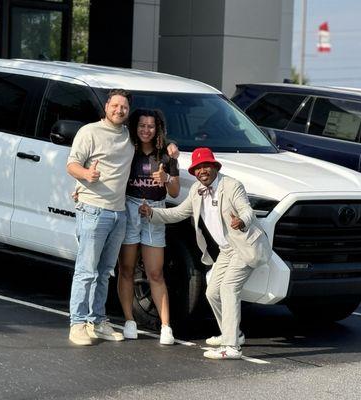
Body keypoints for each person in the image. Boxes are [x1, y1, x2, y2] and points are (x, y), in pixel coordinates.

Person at [66, 90, 179, 346]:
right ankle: (77, 323)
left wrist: (172, 147)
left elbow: (154, 137)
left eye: (124, 107)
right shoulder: (90, 132)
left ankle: (97, 321)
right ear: (107, 106)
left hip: (119, 212)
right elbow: (71, 164)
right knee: (86, 270)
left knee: (105, 271)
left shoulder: (129, 136)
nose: (119, 110)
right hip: (94, 209)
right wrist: (85, 175)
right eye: (115, 105)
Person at [139, 147, 272, 359]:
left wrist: (242, 221)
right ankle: (233, 334)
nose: (203, 171)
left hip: (245, 247)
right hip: (227, 250)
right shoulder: (196, 190)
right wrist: (152, 213)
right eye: (198, 168)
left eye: (206, 166)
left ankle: (231, 347)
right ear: (193, 172)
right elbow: (178, 213)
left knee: (228, 288)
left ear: (215, 167)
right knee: (212, 292)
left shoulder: (231, 186)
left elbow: (246, 209)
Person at [118, 109, 180, 345]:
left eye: (151, 126)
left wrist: (165, 180)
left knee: (155, 272)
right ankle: (129, 320)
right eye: (142, 125)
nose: (146, 130)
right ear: (135, 127)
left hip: (156, 210)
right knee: (127, 268)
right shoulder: (128, 149)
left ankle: (166, 327)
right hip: (130, 206)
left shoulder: (166, 154)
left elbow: (174, 191)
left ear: (158, 129)